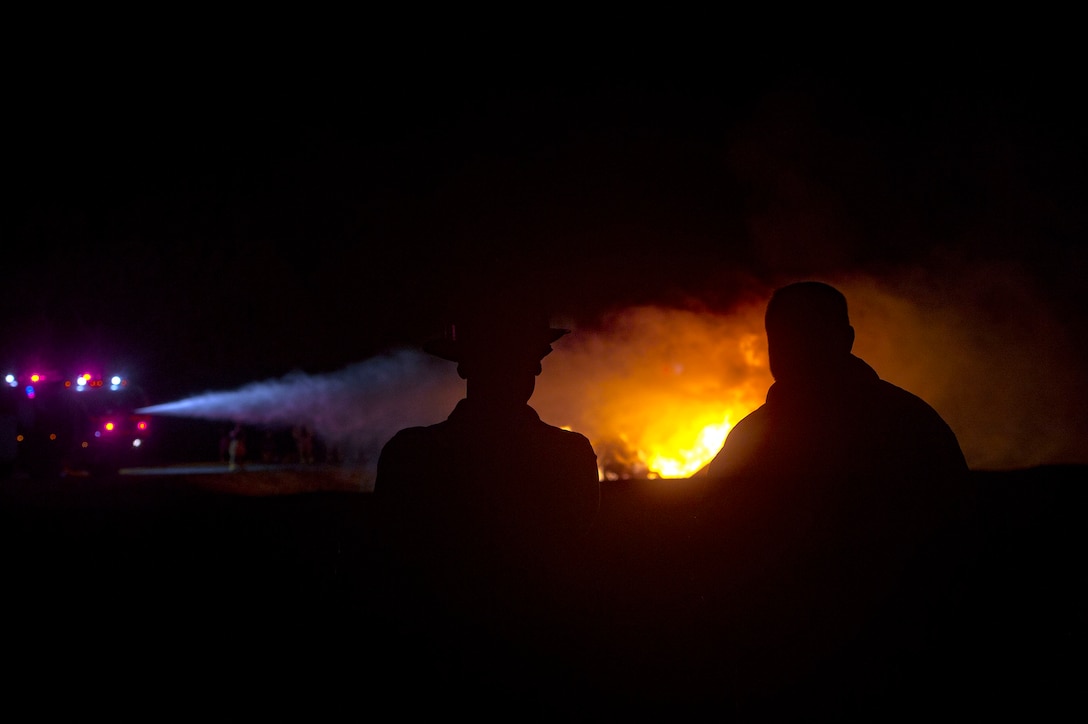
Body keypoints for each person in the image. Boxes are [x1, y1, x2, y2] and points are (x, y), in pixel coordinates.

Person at [702, 281, 972, 711]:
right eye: (784, 341)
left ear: (844, 339)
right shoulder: (913, 421)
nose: (793, 353)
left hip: (873, 653)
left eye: (806, 337)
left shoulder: (905, 428)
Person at [372, 293, 601, 703]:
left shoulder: (409, 454)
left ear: (462, 364)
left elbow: (390, 572)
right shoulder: (569, 455)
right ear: (536, 364)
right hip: (542, 673)